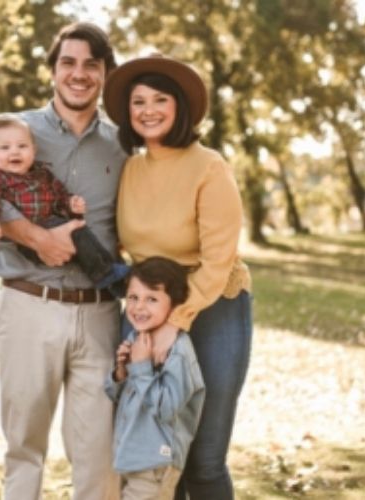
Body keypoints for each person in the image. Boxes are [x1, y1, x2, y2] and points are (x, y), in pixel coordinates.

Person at [0, 22, 126, 500]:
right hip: (28, 306)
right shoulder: (10, 131)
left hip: (100, 315)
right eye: (68, 62)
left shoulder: (122, 145)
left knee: (99, 453)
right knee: (24, 447)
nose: (79, 73)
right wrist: (34, 237)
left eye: (92, 64)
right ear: (52, 70)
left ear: (105, 74)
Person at [103, 54, 253, 499]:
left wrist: (177, 321)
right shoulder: (130, 168)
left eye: (159, 99)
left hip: (213, 309)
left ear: (179, 107)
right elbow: (123, 247)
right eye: (138, 102)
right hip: (148, 312)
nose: (148, 109)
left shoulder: (209, 166)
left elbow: (219, 258)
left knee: (204, 461)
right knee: (159, 455)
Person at [0, 112, 128, 291]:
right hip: (29, 240)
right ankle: (105, 274)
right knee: (79, 234)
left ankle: (111, 273)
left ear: (34, 150)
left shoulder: (42, 174)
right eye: (4, 148)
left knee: (81, 231)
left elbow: (59, 194)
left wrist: (71, 203)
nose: (14, 151)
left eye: (22, 146)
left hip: (53, 223)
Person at [104, 257, 205, 500]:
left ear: (175, 305)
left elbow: (166, 409)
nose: (139, 307)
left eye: (152, 299)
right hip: (129, 455)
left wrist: (141, 367)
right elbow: (116, 396)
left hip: (155, 462)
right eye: (133, 297)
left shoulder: (179, 352)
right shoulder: (137, 338)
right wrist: (121, 371)